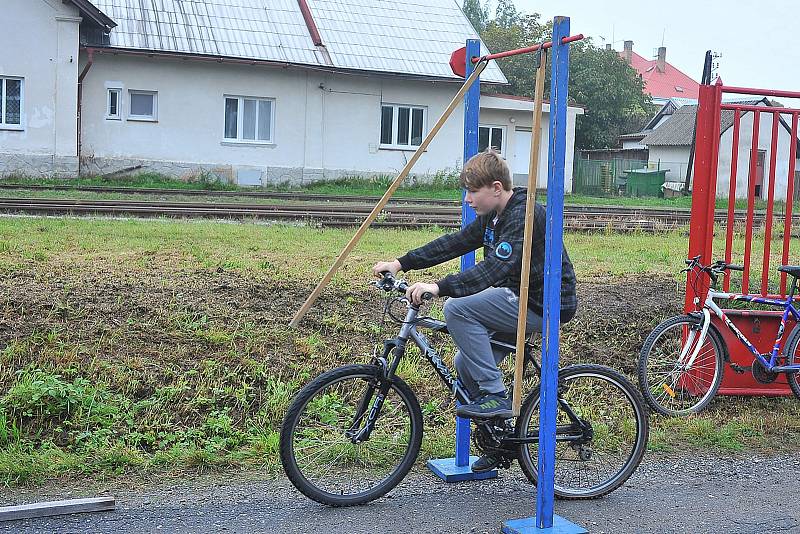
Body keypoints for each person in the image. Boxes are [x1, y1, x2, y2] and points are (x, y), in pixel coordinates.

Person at [372, 149, 577, 471]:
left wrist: (439, 287)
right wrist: (401, 263)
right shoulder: (494, 217)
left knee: (457, 309)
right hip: (517, 297)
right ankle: (501, 441)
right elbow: (454, 243)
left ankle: (497, 396)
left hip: (544, 303)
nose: (467, 199)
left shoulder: (524, 216)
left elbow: (495, 269)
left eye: (472, 191)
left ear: (496, 188)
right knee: (464, 364)